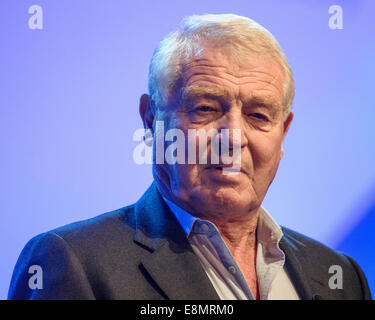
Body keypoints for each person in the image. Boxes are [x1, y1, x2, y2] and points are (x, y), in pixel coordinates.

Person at [8, 14, 371, 300]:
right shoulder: (73, 263)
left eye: (259, 115)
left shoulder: (338, 275)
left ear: (283, 131)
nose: (233, 137)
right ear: (151, 119)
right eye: (205, 108)